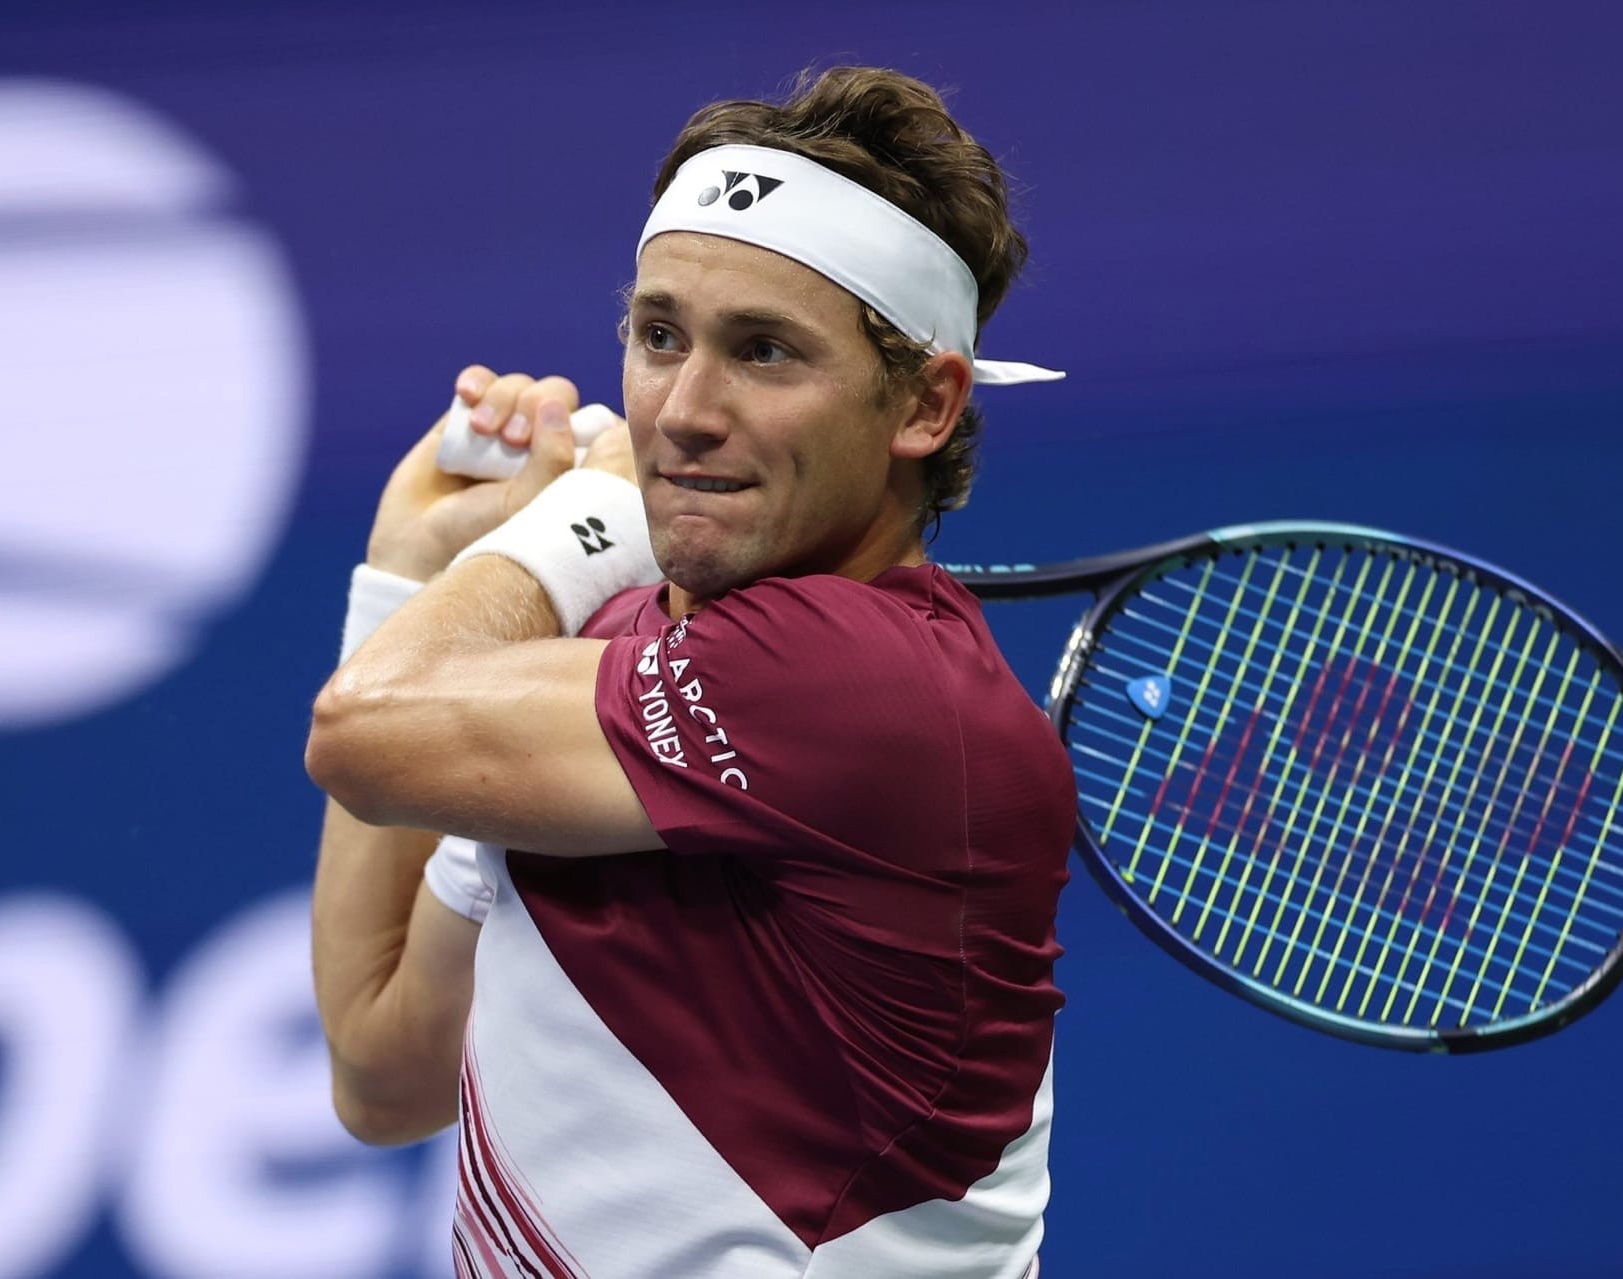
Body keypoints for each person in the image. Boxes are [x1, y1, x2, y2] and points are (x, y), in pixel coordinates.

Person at [307, 66, 1075, 1279]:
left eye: (764, 352)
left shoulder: (864, 680)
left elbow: (362, 728)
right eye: (660, 336)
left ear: (925, 404)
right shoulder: (612, 660)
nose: (682, 411)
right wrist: (407, 573)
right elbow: (384, 1069)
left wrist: (578, 522)